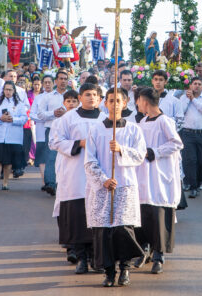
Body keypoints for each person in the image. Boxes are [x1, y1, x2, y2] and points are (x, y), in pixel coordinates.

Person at [85, 88, 146, 287]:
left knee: (123, 229)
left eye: (118, 100)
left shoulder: (133, 129)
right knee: (104, 231)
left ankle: (125, 269)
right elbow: (89, 160)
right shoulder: (96, 129)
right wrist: (103, 179)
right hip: (103, 187)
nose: (115, 104)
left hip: (125, 185)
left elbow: (140, 155)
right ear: (105, 103)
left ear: (125, 103)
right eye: (111, 100)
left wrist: (121, 150)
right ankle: (109, 272)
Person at [49, 84, 105, 273]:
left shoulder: (106, 119)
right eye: (87, 95)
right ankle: (81, 257)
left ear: (99, 99)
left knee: (97, 215)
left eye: (95, 95)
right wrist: (80, 143)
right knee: (78, 217)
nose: (91, 98)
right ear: (80, 97)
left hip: (98, 173)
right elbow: (55, 141)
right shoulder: (68, 118)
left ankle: (95, 257)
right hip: (75, 173)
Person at [134, 87, 183, 274]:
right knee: (144, 212)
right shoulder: (143, 121)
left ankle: (159, 254)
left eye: (138, 101)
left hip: (161, 174)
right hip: (143, 173)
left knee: (159, 214)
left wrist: (155, 151)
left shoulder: (165, 121)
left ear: (144, 101)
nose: (137, 104)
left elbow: (177, 143)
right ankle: (144, 249)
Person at [0, 81, 28, 190]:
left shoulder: (19, 104)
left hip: (13, 136)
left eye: (10, 90)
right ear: (3, 90)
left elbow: (24, 119)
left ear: (14, 91)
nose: (8, 92)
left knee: (8, 161)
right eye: (6, 89)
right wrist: (0, 119)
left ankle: (5, 183)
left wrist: (13, 119)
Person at [38, 71, 68, 196]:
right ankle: (50, 184)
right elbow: (40, 114)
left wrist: (66, 114)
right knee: (51, 157)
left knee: (66, 158)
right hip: (51, 129)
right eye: (60, 78)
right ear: (56, 81)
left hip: (68, 131)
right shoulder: (48, 97)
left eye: (65, 79)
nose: (63, 81)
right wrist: (53, 114)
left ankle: (64, 184)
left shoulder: (73, 96)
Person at [180, 78, 202, 196]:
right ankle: (192, 186)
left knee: (201, 161)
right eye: (194, 84)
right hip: (188, 133)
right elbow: (181, 111)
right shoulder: (184, 98)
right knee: (190, 160)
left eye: (199, 84)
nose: (197, 86)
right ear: (190, 86)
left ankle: (197, 184)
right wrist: (188, 99)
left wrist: (193, 99)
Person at [30, 75, 54, 190]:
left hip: (54, 130)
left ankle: (52, 180)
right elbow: (32, 114)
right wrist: (44, 118)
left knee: (53, 156)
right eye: (46, 82)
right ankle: (45, 181)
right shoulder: (38, 98)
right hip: (41, 130)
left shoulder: (57, 97)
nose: (48, 84)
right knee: (42, 157)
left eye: (50, 82)